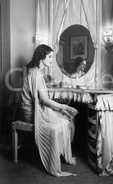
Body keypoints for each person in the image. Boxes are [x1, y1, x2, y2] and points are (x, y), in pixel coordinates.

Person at [20, 44, 78, 177]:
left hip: (31, 108)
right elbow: (45, 101)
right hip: (30, 113)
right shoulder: (36, 74)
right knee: (63, 121)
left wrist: (61, 109)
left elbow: (41, 96)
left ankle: (64, 155)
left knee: (64, 120)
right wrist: (65, 107)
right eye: (50, 57)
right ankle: (56, 159)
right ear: (42, 58)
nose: (52, 60)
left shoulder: (36, 71)